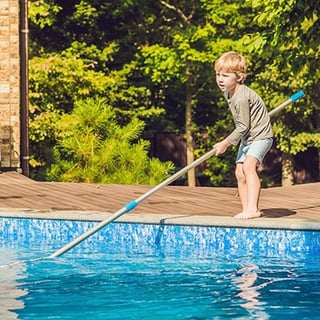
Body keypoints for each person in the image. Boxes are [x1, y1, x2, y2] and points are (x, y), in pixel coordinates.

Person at [213, 51, 273, 219]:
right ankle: (246, 209)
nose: (220, 79)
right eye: (218, 74)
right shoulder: (228, 93)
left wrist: (225, 142)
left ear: (239, 77)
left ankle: (253, 209)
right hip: (248, 137)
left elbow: (243, 126)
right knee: (239, 173)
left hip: (261, 136)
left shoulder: (241, 97)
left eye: (225, 75)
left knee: (248, 167)